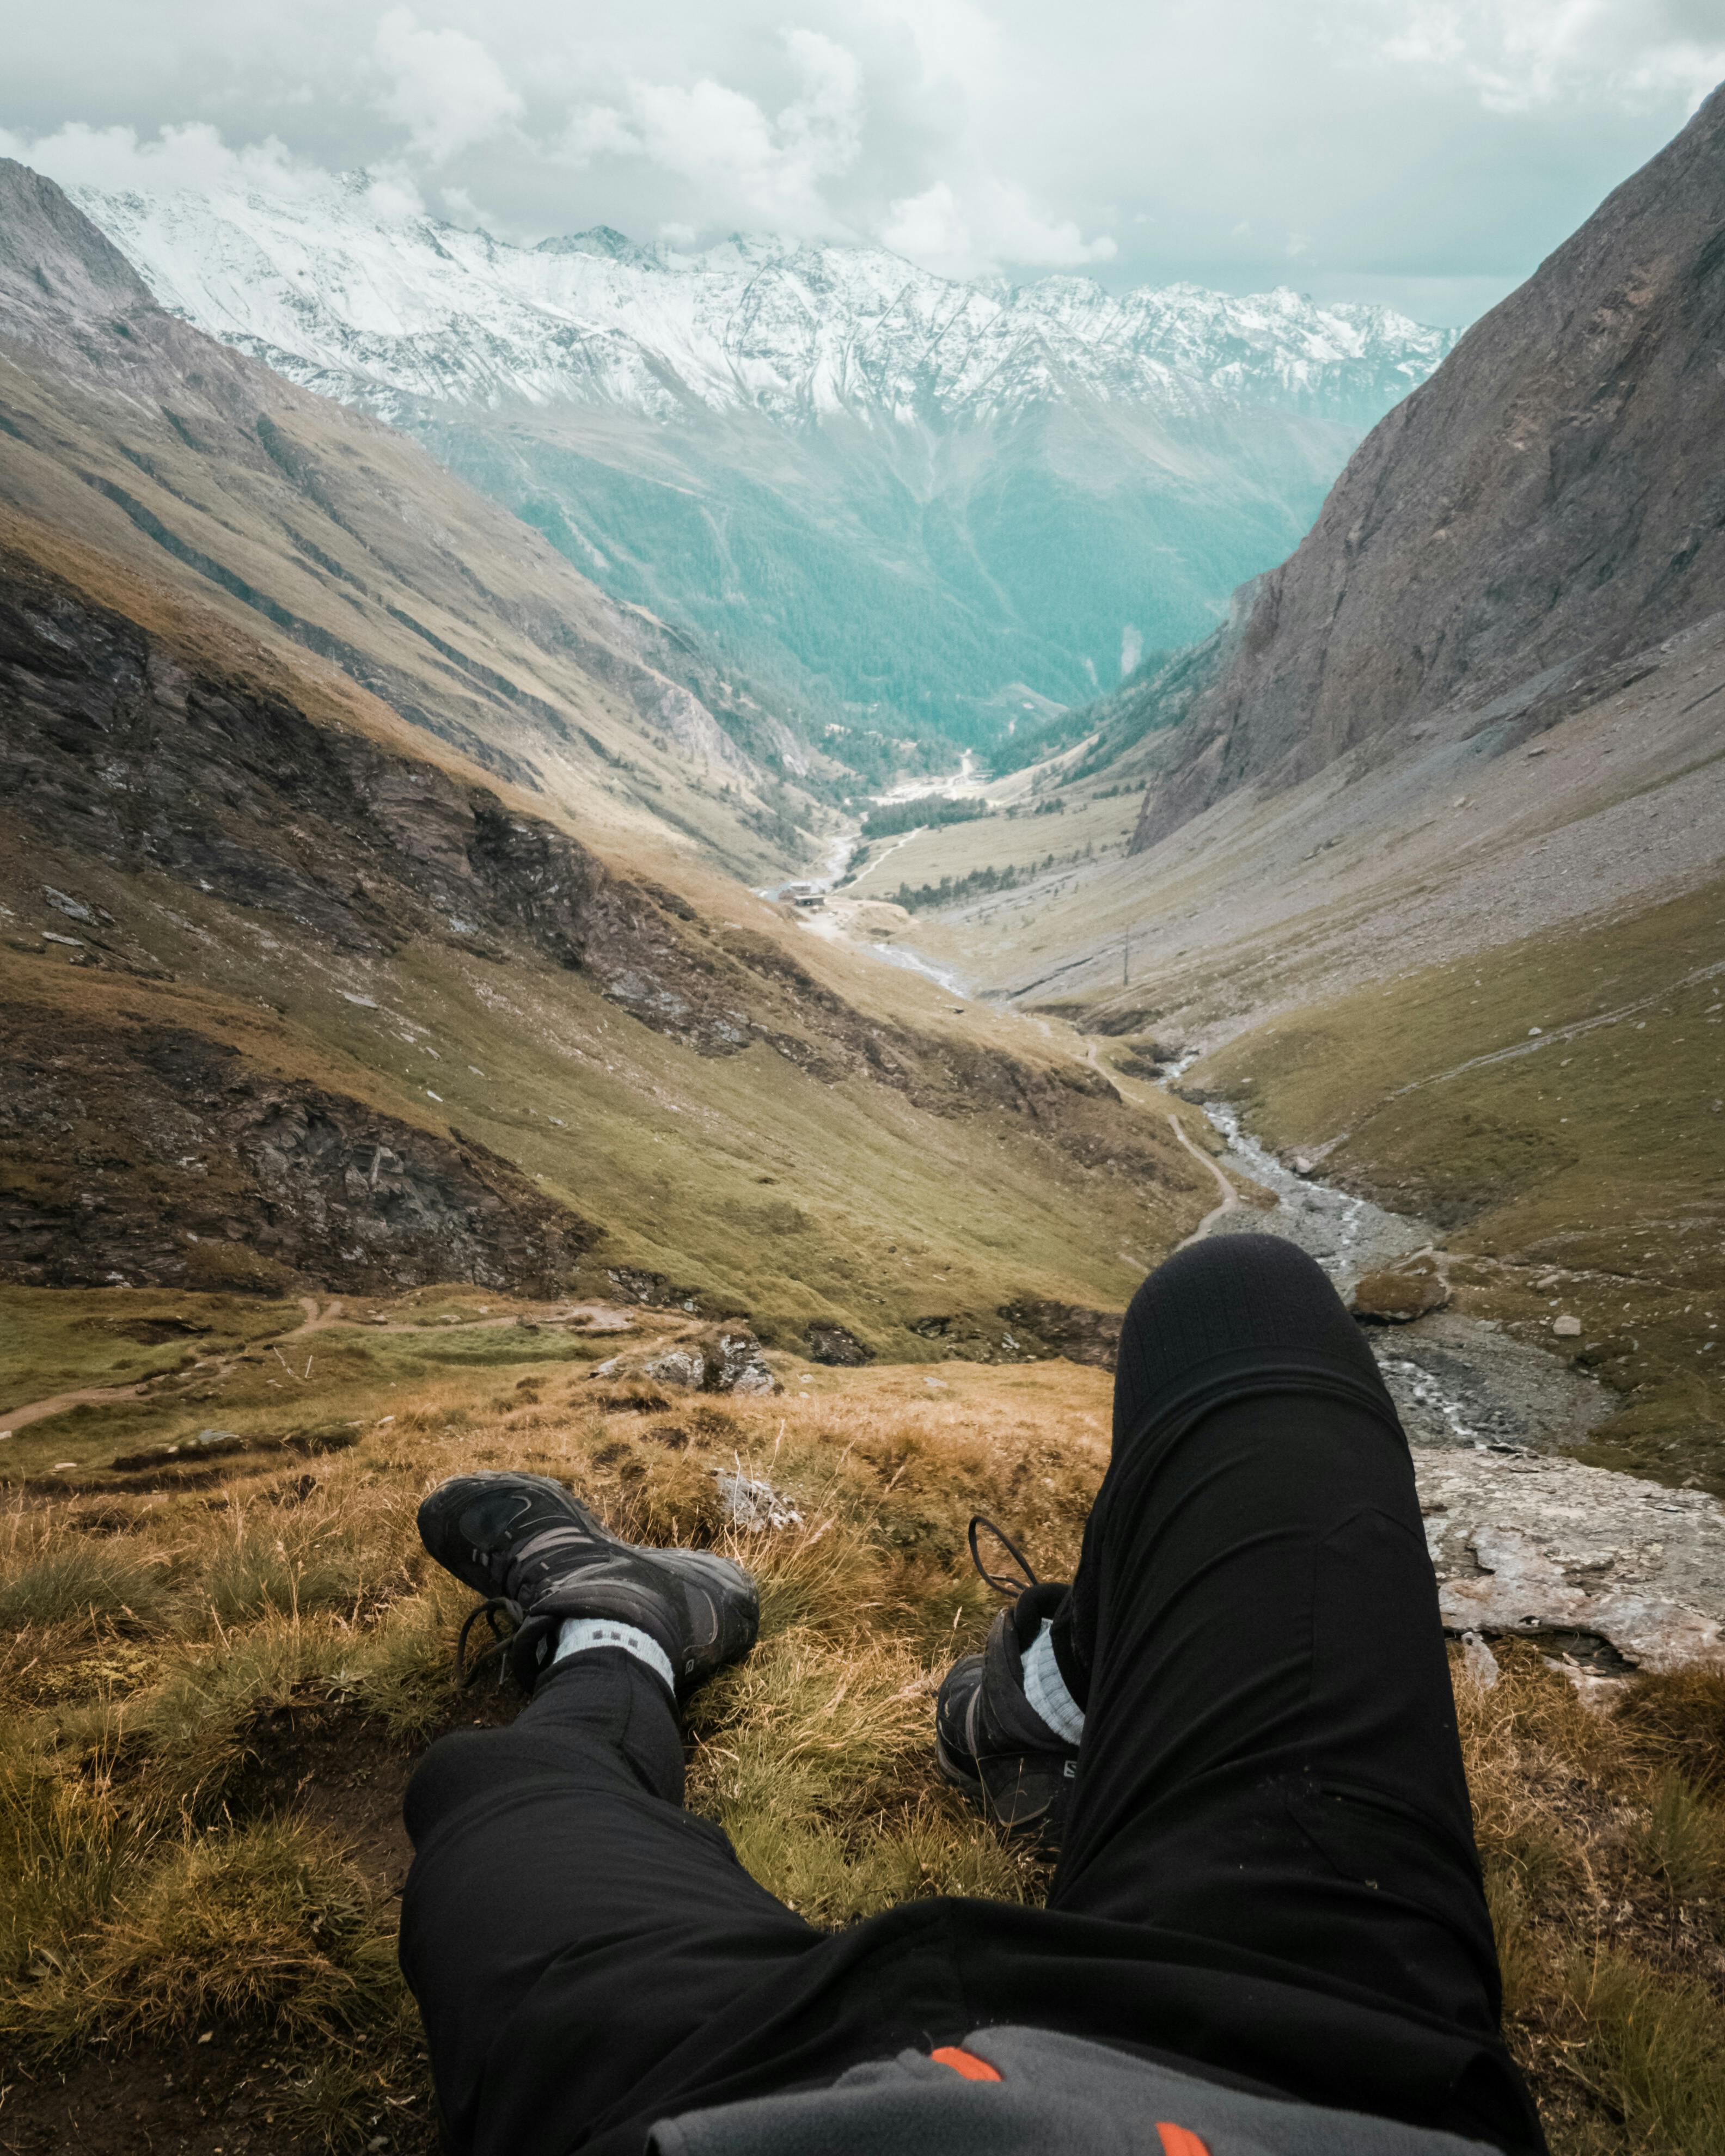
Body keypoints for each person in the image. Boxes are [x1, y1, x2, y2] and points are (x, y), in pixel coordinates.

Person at [399, 1235, 1547, 2156]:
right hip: (1332, 2069)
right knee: (1240, 1294)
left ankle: (622, 1627)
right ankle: (1043, 1707)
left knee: (501, 1802)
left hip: (727, 2097)